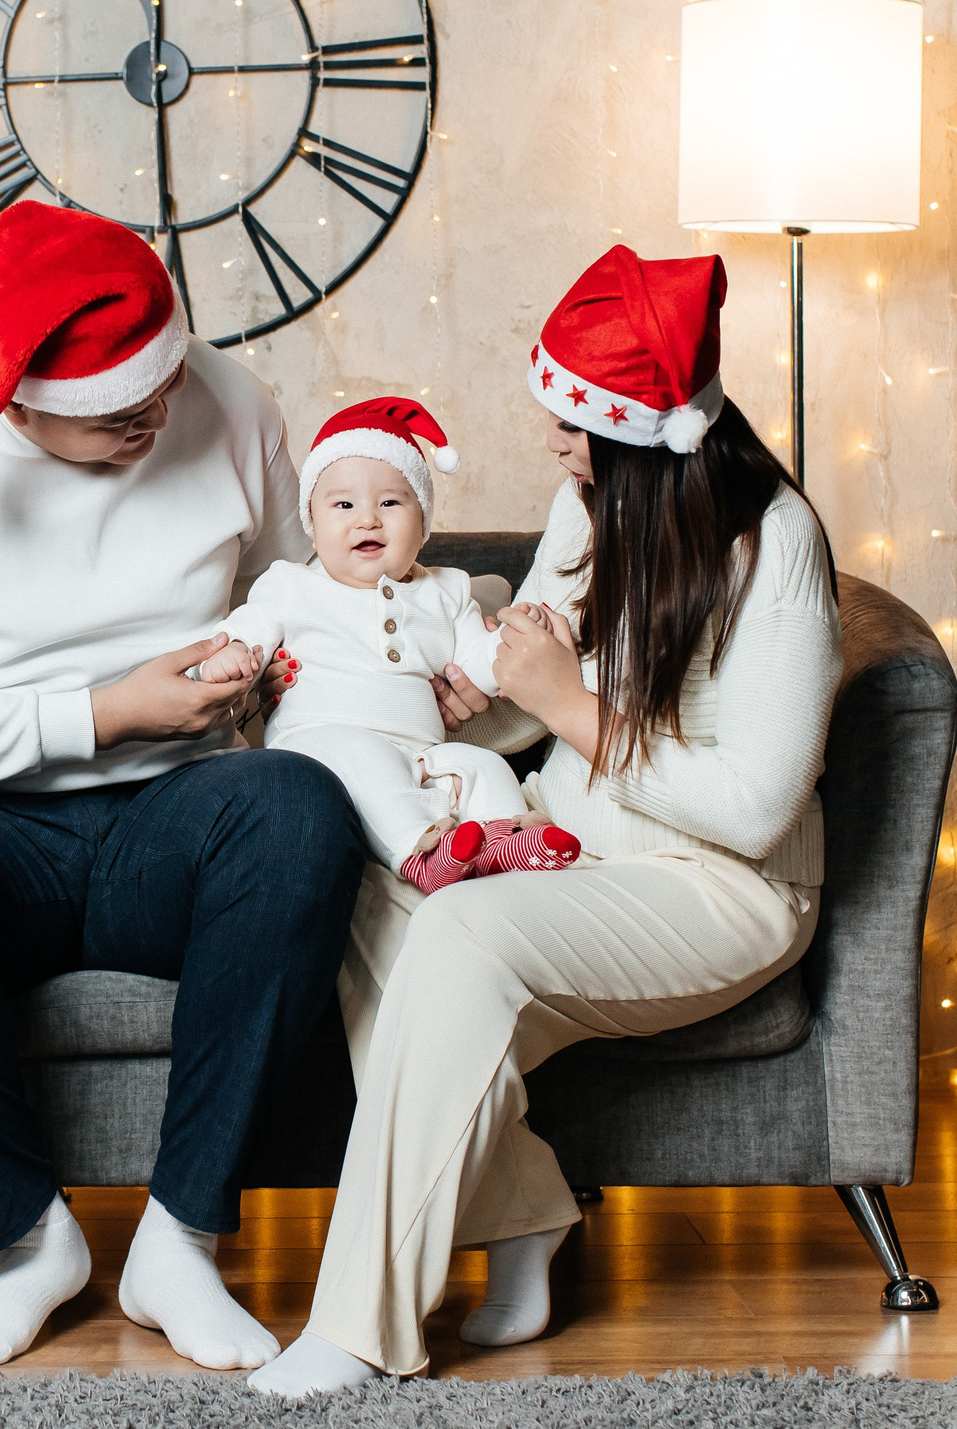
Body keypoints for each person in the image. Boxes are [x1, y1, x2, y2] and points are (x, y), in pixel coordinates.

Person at [0, 200, 367, 1372]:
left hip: (176, 814)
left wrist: (303, 669)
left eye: (159, 391)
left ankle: (181, 1241)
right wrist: (100, 712)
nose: (152, 421)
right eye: (110, 417)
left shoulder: (233, 405)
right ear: (11, 398)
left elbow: (300, 612)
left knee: (301, 810)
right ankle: (24, 1239)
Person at [249, 245, 841, 1396]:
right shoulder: (593, 501)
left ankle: (358, 1330)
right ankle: (526, 1214)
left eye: (574, 431)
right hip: (572, 849)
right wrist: (470, 694)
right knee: (371, 895)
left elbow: (758, 809)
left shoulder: (777, 546)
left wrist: (566, 704)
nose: (555, 450)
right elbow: (527, 661)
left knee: (463, 933)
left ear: (638, 434)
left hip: (713, 885)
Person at [187, 395, 582, 889]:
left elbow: (477, 667)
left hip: (421, 748)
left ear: (424, 525)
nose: (367, 519)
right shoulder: (292, 584)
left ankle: (502, 841)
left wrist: (515, 637)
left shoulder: (447, 590)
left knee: (483, 765)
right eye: (344, 504)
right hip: (321, 741)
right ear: (312, 521)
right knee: (365, 758)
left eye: (391, 502)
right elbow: (252, 627)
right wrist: (230, 655)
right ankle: (418, 855)